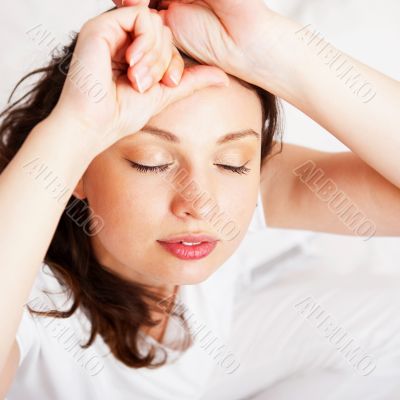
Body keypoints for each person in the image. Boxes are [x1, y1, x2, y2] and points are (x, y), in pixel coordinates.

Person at [1, 1, 399, 399]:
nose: (201, 203)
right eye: (152, 163)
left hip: (212, 367)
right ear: (77, 169)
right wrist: (76, 126)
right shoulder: (34, 297)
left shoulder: (251, 186)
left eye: (232, 163)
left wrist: (273, 49)